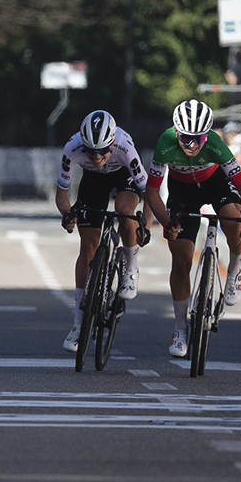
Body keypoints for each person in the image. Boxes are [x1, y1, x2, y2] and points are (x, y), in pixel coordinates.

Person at [144, 100, 241, 358]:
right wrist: (168, 223)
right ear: (176, 132)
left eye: (198, 138)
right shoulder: (166, 144)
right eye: (185, 138)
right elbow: (151, 192)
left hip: (215, 184)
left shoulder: (216, 144)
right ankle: (180, 328)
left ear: (207, 135)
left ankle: (235, 269)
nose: (192, 144)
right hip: (182, 191)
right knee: (181, 260)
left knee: (233, 222)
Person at [55, 110, 150, 354]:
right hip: (94, 182)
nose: (96, 156)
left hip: (124, 178)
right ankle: (78, 326)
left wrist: (146, 225)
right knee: (87, 247)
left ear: (112, 143)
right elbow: (62, 195)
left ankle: (130, 267)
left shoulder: (125, 146)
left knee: (124, 211)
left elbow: (150, 193)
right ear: (82, 144)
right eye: (91, 151)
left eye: (102, 151)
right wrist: (68, 216)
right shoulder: (73, 147)